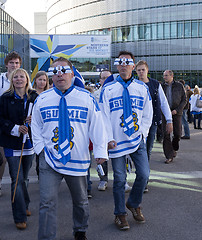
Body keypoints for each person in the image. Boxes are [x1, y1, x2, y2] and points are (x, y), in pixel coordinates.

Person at [31, 57, 108, 240]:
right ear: (51, 76)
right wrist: (40, 149)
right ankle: (46, 236)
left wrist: (100, 151)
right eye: (55, 72)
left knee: (81, 201)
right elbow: (35, 125)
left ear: (72, 74)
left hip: (78, 158)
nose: (59, 75)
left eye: (64, 71)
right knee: (46, 202)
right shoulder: (42, 99)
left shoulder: (86, 98)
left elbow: (97, 126)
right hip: (49, 158)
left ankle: (80, 229)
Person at [100, 51, 153, 230]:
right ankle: (120, 214)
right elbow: (104, 116)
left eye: (127, 62)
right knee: (120, 180)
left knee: (144, 174)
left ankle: (134, 202)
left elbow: (148, 113)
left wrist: (143, 133)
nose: (124, 65)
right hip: (116, 141)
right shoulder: (108, 89)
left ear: (133, 65)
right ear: (117, 65)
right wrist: (108, 138)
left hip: (137, 139)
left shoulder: (142, 88)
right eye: (120, 62)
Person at [0, 68, 38, 229]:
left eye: (21, 76)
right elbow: (0, 119)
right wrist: (16, 128)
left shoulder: (35, 97)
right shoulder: (5, 98)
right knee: (17, 179)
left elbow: (44, 116)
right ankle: (19, 216)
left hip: (30, 144)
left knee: (24, 179)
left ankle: (25, 204)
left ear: (27, 79)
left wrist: (34, 118)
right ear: (11, 80)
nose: (18, 79)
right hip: (12, 143)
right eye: (15, 77)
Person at [135, 60, 173, 191]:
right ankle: (139, 176)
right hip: (135, 124)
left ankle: (143, 179)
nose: (141, 72)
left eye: (143, 70)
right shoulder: (132, 85)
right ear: (136, 71)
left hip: (152, 123)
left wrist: (169, 120)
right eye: (138, 70)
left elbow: (163, 103)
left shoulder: (156, 85)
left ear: (147, 70)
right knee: (135, 152)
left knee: (147, 151)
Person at [0, 51, 22, 197]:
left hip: (16, 126)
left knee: (12, 160)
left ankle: (19, 189)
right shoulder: (1, 79)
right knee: (0, 158)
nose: (14, 65)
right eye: (12, 63)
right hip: (2, 123)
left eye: (17, 63)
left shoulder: (22, 78)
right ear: (6, 64)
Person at [162, 70, 186, 164]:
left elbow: (184, 100)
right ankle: (169, 155)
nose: (164, 77)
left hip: (176, 113)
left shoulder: (179, 86)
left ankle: (174, 148)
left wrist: (177, 110)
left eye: (166, 75)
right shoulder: (162, 86)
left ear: (171, 76)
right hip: (164, 113)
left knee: (177, 134)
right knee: (166, 134)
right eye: (164, 75)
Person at [93, 70, 111, 191]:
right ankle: (103, 179)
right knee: (101, 155)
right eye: (103, 78)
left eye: (108, 78)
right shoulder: (95, 94)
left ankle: (123, 180)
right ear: (100, 80)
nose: (105, 80)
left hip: (115, 130)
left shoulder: (117, 92)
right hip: (101, 129)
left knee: (119, 156)